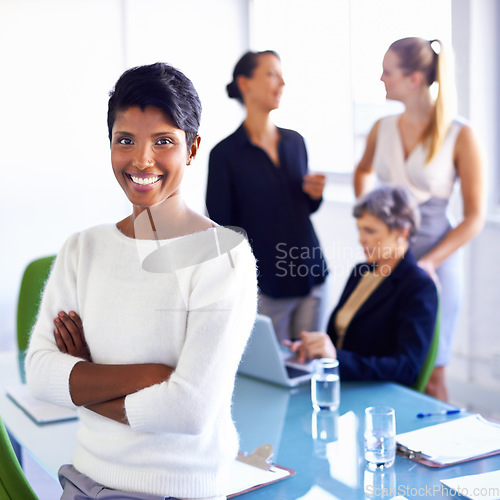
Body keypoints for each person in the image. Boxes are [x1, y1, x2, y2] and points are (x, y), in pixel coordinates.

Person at [25, 63, 257, 500]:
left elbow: (188, 409)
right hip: (81, 480)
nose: (141, 160)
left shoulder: (222, 257)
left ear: (192, 148)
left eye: (163, 141)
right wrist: (151, 375)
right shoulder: (83, 248)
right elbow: (39, 374)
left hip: (176, 491)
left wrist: (84, 380)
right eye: (125, 140)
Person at [353, 37, 485, 400]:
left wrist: (429, 262)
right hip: (387, 263)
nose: (381, 79)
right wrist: (370, 222)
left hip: (435, 265)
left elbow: (474, 217)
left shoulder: (461, 135)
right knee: (388, 366)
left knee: (432, 376)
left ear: (413, 79)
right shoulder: (383, 128)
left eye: (387, 72)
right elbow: (362, 171)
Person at [206, 50, 328, 343]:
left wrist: (315, 196)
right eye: (272, 73)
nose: (282, 82)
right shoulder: (224, 155)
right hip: (266, 288)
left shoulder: (295, 141)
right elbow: (225, 231)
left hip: (312, 277)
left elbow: (302, 207)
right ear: (245, 83)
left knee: (311, 364)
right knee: (275, 375)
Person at [286, 186, 438, 387]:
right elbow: (338, 340)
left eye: (370, 230)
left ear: (402, 231)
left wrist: (337, 359)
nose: (361, 239)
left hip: (373, 393)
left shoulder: (418, 286)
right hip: (341, 383)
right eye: (360, 229)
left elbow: (407, 368)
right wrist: (316, 348)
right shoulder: (361, 272)